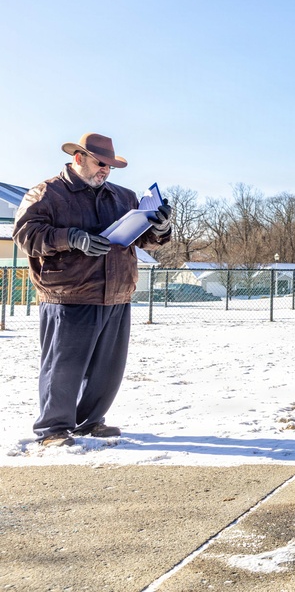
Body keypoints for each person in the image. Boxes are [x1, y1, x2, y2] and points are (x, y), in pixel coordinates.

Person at [13, 133, 172, 447]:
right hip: (68, 295)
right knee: (64, 366)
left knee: (107, 368)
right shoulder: (47, 193)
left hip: (116, 292)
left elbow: (145, 238)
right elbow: (25, 233)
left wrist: (161, 227)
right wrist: (72, 237)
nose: (106, 171)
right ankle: (53, 429)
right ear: (78, 158)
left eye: (111, 167)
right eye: (101, 164)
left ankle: (90, 422)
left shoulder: (123, 197)